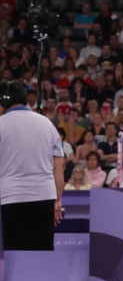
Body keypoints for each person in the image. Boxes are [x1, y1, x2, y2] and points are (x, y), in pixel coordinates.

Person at [0, 82, 64, 250]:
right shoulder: (47, 124)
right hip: (44, 195)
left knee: (16, 250)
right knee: (42, 250)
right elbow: (59, 164)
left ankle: (19, 277)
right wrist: (58, 200)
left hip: (11, 196)